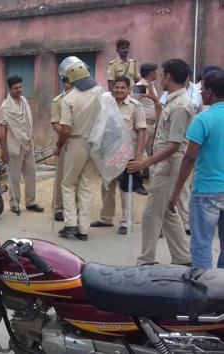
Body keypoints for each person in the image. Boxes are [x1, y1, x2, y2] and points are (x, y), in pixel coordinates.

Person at [127, 58, 193, 266]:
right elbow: (164, 127)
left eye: (163, 75)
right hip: (165, 164)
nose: (160, 78)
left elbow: (174, 145)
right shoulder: (172, 101)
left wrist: (144, 164)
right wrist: (156, 102)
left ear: (169, 77)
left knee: (151, 214)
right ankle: (182, 257)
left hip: (170, 164)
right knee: (167, 213)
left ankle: (146, 260)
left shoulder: (181, 105)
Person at [169, 71, 224, 268]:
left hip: (206, 192)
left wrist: (176, 193)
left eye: (202, 90)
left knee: (201, 244)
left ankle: (203, 289)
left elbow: (189, 158)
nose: (200, 93)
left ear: (209, 92)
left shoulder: (202, 119)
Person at [54, 57, 102, 241]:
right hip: (94, 142)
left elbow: (65, 129)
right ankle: (84, 229)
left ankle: (70, 224)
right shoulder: (99, 93)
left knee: (68, 184)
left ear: (70, 79)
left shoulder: (69, 99)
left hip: (75, 143)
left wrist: (59, 145)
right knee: (87, 185)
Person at [90, 77, 146, 235]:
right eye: (117, 87)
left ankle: (127, 221)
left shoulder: (136, 106)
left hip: (127, 155)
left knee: (125, 189)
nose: (119, 90)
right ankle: (106, 218)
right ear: (112, 88)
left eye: (123, 88)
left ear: (128, 89)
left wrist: (138, 155)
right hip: (109, 154)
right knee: (107, 186)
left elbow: (141, 131)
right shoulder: (106, 104)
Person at [0, 75, 44, 215]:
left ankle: (31, 202)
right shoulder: (5, 107)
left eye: (20, 87)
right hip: (14, 146)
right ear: (10, 89)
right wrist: (4, 152)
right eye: (15, 88)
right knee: (15, 177)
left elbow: (28, 123)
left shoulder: (24, 101)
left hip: (28, 144)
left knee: (31, 174)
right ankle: (14, 203)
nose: (19, 90)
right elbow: (2, 133)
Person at [50, 78, 74, 222]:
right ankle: (58, 208)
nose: (70, 85)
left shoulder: (81, 98)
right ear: (64, 83)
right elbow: (55, 123)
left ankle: (72, 207)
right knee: (61, 175)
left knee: (75, 176)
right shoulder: (57, 101)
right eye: (68, 82)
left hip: (78, 143)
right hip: (63, 140)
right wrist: (67, 134)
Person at [135, 63, 162, 178]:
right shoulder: (140, 86)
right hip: (144, 123)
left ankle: (145, 175)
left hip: (153, 123)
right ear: (151, 73)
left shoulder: (152, 85)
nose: (157, 73)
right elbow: (133, 102)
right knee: (141, 150)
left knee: (150, 149)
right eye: (156, 71)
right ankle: (137, 176)